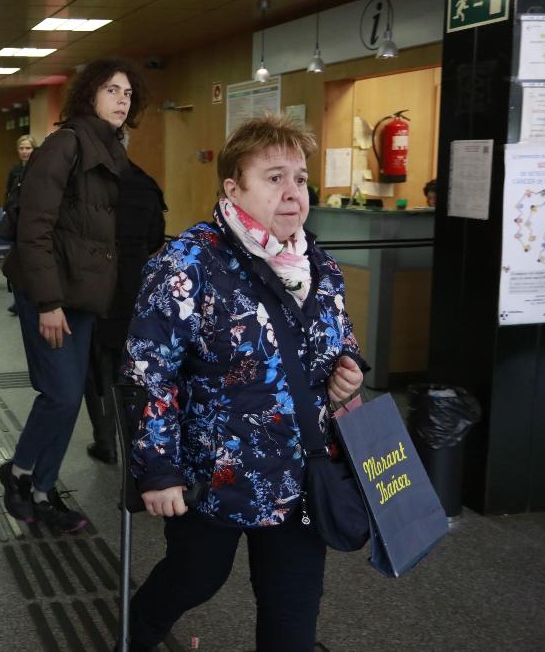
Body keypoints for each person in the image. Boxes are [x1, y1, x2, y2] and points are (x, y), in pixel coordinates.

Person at [122, 113, 366, 652]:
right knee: (195, 577)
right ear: (233, 188)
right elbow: (147, 371)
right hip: (216, 473)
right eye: (274, 177)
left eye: (300, 178)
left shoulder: (319, 266)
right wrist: (157, 469)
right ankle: (133, 635)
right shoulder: (188, 263)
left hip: (301, 467)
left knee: (292, 609)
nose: (292, 192)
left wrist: (345, 373)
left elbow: (337, 343)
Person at [0, 58, 146, 533]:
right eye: (112, 90)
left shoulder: (109, 149)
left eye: (127, 92)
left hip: (82, 295)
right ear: (88, 96)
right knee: (61, 395)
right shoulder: (65, 145)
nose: (122, 99)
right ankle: (20, 474)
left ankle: (42, 490)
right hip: (52, 294)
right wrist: (47, 302)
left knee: (67, 395)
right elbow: (33, 228)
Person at [81, 160, 165, 465]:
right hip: (136, 286)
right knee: (133, 369)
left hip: (95, 286)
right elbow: (156, 235)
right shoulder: (145, 182)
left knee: (95, 366)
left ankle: (106, 440)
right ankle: (136, 446)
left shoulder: (87, 182)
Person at [4, 135, 36, 315]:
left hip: (30, 223)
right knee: (14, 262)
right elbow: (8, 194)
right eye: (21, 148)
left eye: (28, 148)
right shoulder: (15, 170)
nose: (24, 152)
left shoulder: (39, 169)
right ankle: (17, 299)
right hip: (15, 222)